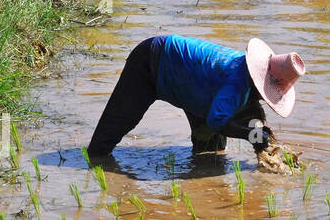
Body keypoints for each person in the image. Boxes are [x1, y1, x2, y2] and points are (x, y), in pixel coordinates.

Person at [86, 35, 305, 160]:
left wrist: (258, 139)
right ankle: (94, 166)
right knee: (110, 133)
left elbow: (245, 118)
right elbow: (216, 121)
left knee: (211, 152)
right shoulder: (236, 85)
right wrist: (249, 135)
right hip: (151, 63)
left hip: (195, 85)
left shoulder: (243, 75)